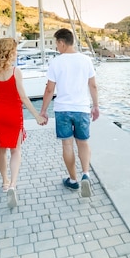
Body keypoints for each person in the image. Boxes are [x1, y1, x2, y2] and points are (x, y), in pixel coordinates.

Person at [0, 38, 46, 208]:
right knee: (15, 151)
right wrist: (37, 116)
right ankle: (13, 185)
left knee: (0, 152)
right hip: (12, 114)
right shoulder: (16, 71)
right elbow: (23, 97)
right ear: (11, 52)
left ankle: (4, 182)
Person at [39, 28, 99, 198]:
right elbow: (93, 86)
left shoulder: (56, 62)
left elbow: (50, 89)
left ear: (62, 43)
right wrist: (95, 106)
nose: (56, 47)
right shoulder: (86, 60)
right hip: (81, 109)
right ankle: (85, 173)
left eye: (56, 43)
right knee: (83, 143)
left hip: (63, 110)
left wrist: (43, 111)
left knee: (67, 145)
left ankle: (73, 180)